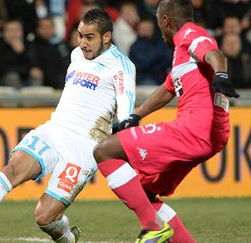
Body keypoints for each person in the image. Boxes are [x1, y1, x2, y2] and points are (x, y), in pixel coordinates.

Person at [0, 8, 136, 242]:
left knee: (44, 217)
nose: (82, 43)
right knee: (11, 170)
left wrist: (124, 144)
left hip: (83, 148)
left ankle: (67, 237)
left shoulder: (122, 66)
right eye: (80, 35)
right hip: (53, 131)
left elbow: (125, 113)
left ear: (106, 37)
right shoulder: (76, 55)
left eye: (89, 37)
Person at [92, 0, 240, 242]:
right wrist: (136, 116)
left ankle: (153, 227)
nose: (161, 31)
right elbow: (168, 89)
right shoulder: (182, 55)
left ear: (165, 20)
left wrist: (221, 73)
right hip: (210, 134)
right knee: (144, 191)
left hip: (195, 128)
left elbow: (214, 54)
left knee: (104, 151)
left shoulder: (189, 34)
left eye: (161, 25)